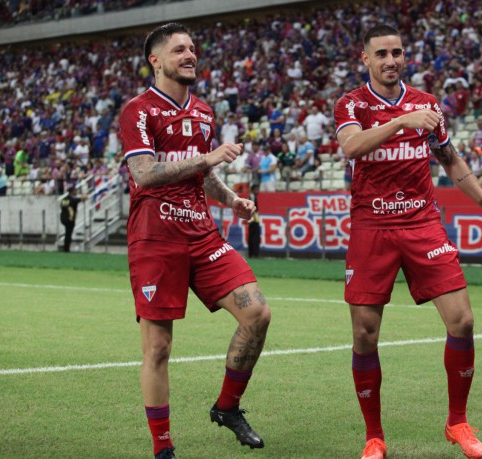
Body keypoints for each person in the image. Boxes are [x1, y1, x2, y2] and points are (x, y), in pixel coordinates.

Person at [333, 24, 482, 459]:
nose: (391, 60)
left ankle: (458, 423)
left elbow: (450, 159)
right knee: (365, 335)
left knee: (462, 321)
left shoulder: (428, 104)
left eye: (397, 52)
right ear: (365, 59)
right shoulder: (350, 104)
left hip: (422, 224)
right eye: (382, 54)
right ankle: (374, 436)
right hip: (371, 227)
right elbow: (352, 148)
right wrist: (401, 121)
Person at [120, 23, 271, 459]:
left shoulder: (203, 112)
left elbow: (202, 176)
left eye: (192, 49)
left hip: (202, 235)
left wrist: (231, 200)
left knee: (257, 313)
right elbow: (145, 174)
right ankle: (163, 448)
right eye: (179, 49)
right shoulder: (139, 110)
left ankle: (227, 407)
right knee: (159, 347)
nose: (190, 55)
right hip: (156, 239)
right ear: (156, 60)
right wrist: (206, 158)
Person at [60, 186, 86, 252]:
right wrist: (84, 195)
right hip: (70, 219)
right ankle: (66, 249)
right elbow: (83, 199)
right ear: (72, 191)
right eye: (75, 191)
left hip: (63, 217)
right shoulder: (73, 199)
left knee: (67, 233)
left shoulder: (64, 199)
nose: (75, 192)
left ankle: (66, 247)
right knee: (68, 234)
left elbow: (61, 206)